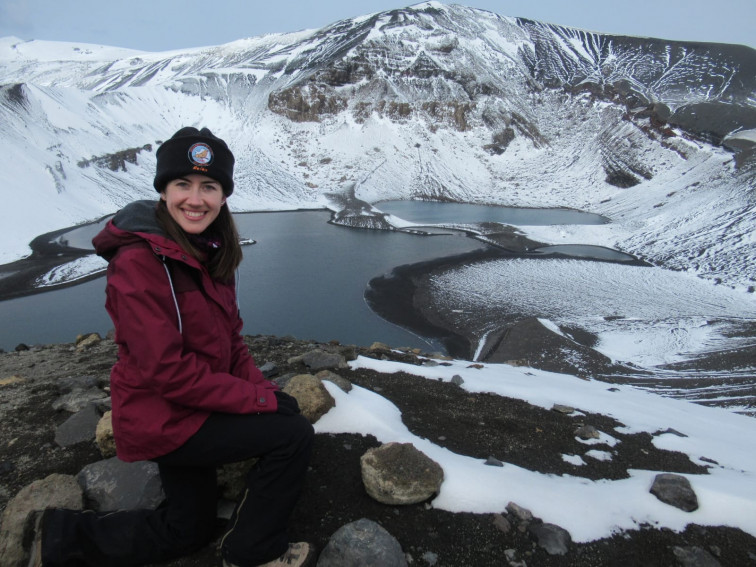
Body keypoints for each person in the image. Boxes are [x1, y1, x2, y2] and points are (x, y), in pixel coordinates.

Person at [29, 127, 315, 567]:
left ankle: (56, 538)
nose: (195, 199)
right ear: (163, 191)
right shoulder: (139, 263)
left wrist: (264, 390)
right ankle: (253, 552)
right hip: (167, 419)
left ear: (223, 196)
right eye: (182, 184)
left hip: (196, 408)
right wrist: (257, 401)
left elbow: (232, 342)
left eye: (209, 187)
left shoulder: (210, 251)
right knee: (293, 436)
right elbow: (166, 372)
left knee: (188, 530)